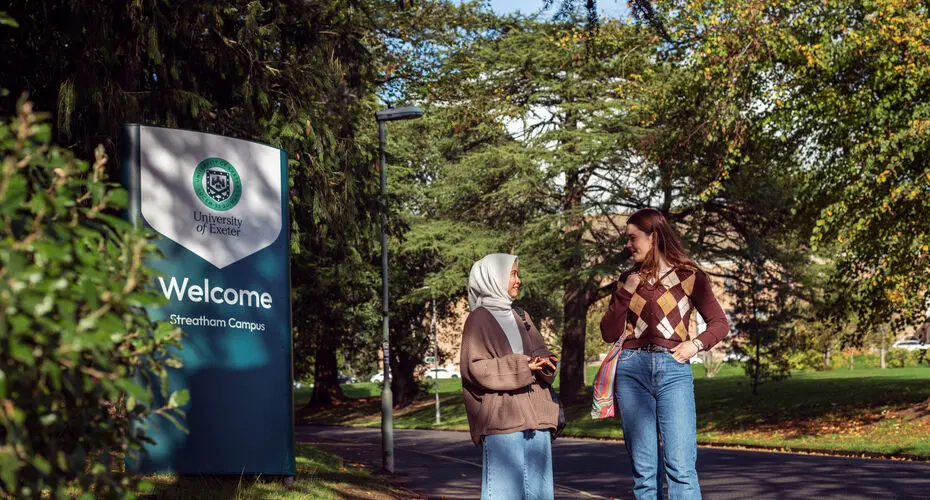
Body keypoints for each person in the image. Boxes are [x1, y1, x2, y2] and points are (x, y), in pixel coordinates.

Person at [600, 208, 730, 500]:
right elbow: (609, 333)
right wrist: (625, 292)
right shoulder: (626, 279)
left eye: (633, 238)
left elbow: (720, 323)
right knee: (644, 474)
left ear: (654, 236)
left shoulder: (689, 276)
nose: (628, 245)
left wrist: (694, 345)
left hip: (674, 370)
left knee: (681, 469)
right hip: (632, 372)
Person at [460, 253, 560, 500]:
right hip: (503, 420)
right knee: (504, 495)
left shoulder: (521, 315)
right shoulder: (479, 319)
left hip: (537, 416)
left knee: (540, 494)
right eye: (512, 274)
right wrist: (523, 366)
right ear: (494, 278)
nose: (518, 280)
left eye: (517, 274)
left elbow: (538, 350)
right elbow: (476, 368)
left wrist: (544, 361)